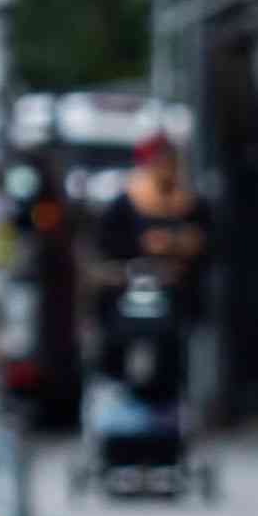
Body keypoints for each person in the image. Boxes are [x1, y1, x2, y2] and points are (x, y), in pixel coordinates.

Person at [87, 132, 211, 387]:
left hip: (173, 294)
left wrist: (178, 245)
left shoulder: (190, 203)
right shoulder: (124, 204)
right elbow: (105, 249)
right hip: (128, 291)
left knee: (173, 352)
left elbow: (206, 240)